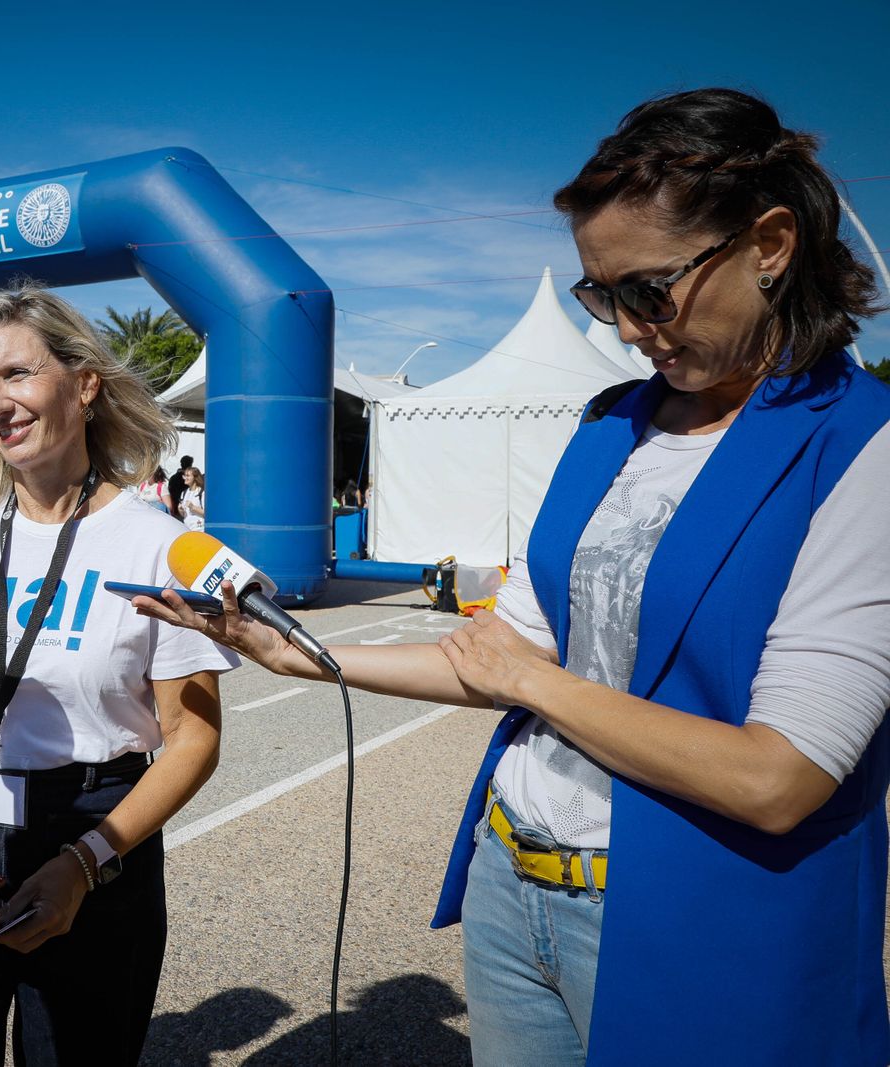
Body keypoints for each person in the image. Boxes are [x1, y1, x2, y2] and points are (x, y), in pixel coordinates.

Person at [137, 88, 889, 1066]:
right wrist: (305, 655)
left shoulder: (857, 448)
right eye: (599, 295)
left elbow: (777, 777)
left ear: (771, 244)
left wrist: (532, 682)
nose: (626, 328)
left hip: (701, 914)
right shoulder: (610, 423)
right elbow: (500, 649)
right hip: (515, 878)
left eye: (647, 289)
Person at [0, 285, 237, 1065]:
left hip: (97, 837)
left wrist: (85, 863)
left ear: (84, 382)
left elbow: (193, 737)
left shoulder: (156, 543)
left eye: (16, 374)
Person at [177, 466, 205, 530]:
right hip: (187, 527)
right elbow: (184, 515)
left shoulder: (202, 492)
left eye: (187, 476)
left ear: (195, 477)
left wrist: (193, 507)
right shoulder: (184, 493)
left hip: (198, 529)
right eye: (184, 475)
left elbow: (207, 514)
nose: (184, 478)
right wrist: (180, 510)